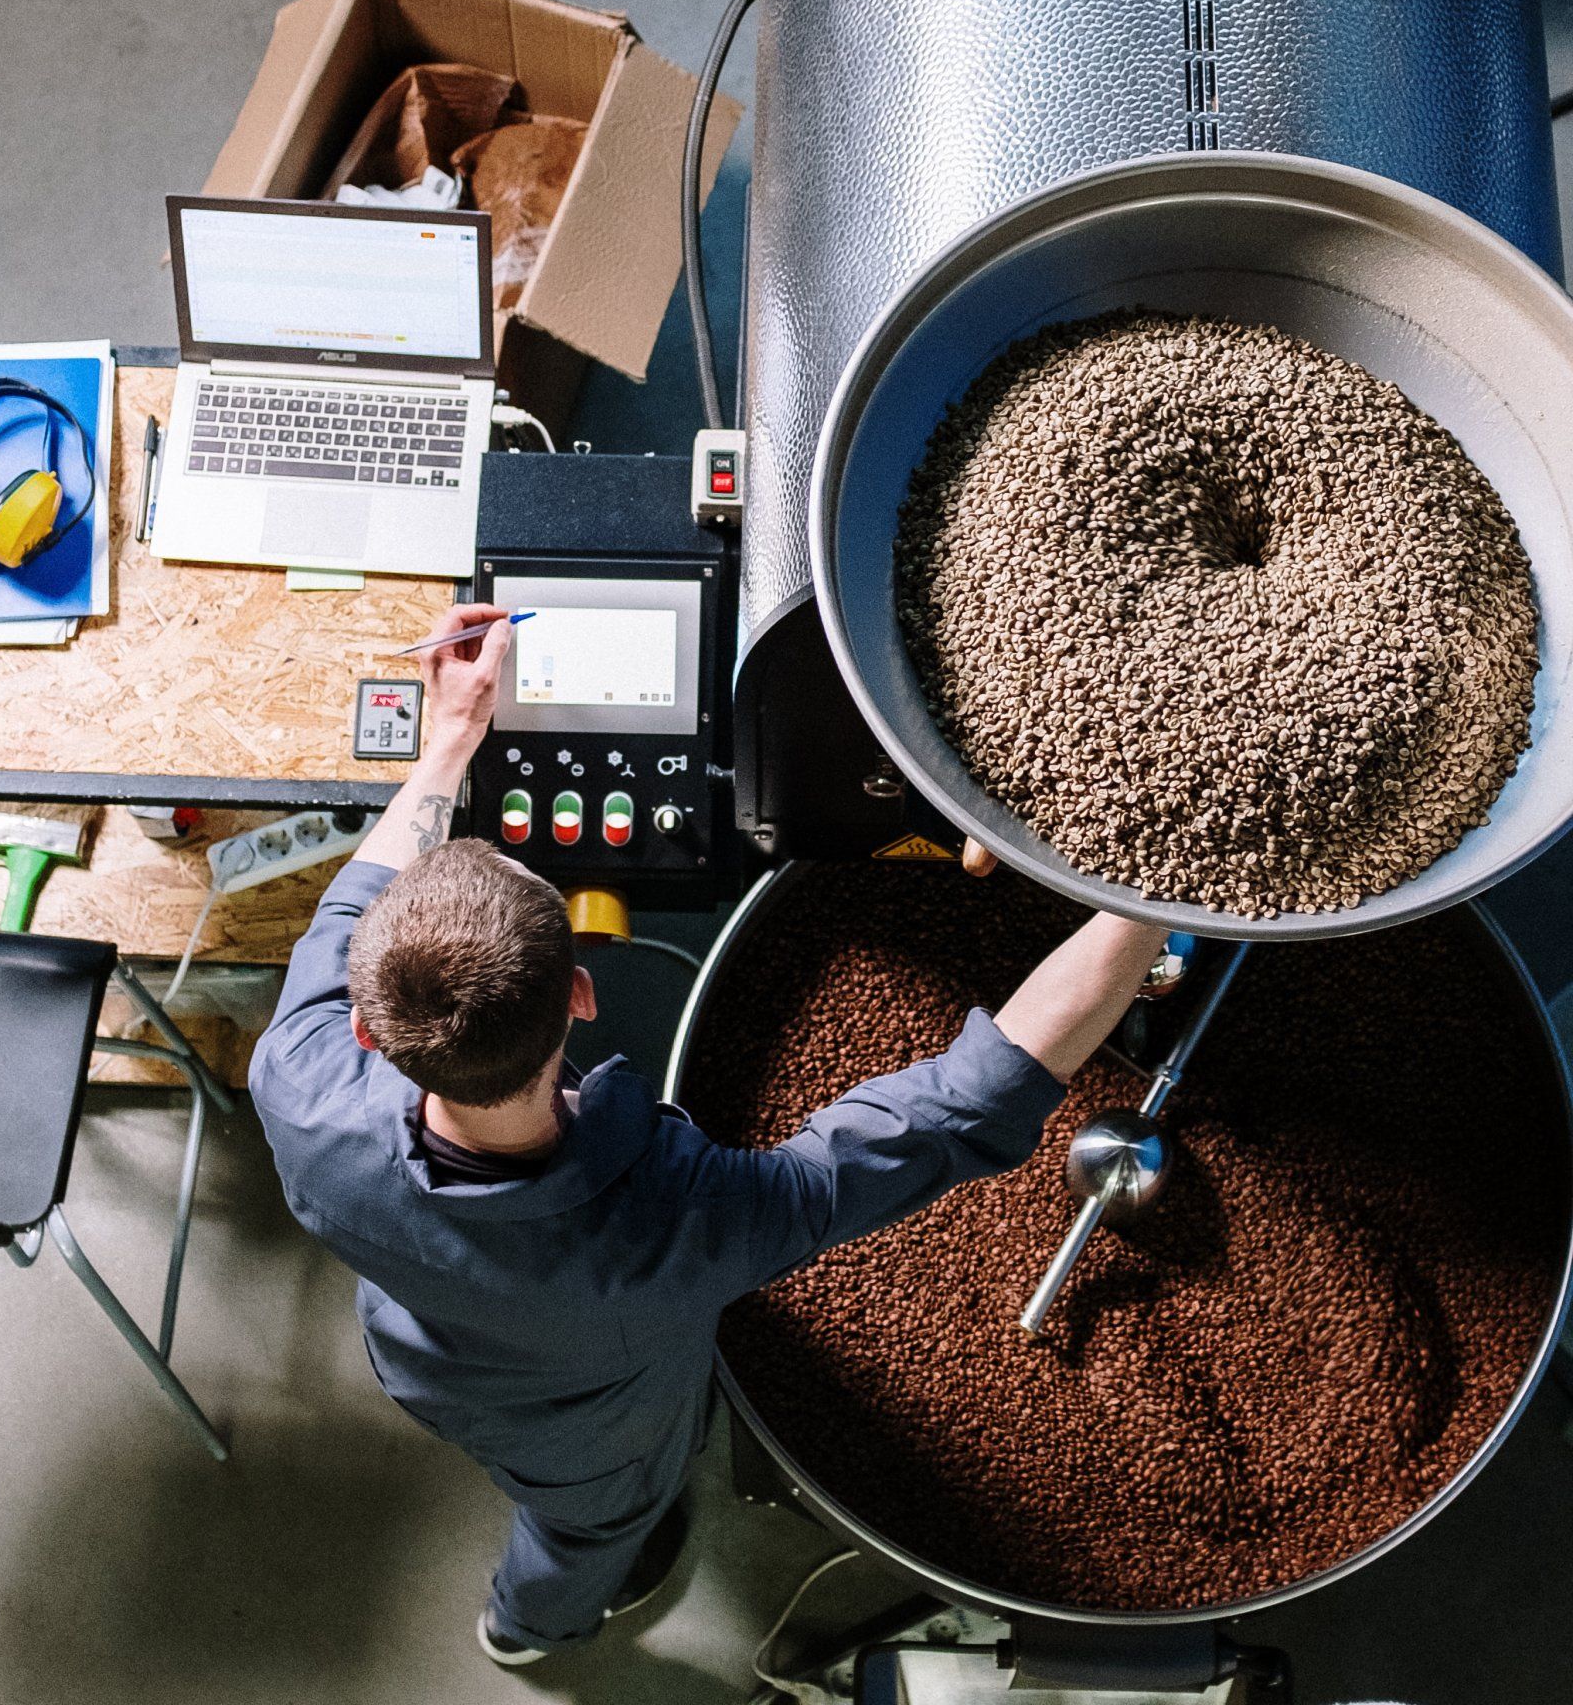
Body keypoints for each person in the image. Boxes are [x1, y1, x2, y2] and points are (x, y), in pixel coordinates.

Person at [249, 606, 1167, 1670]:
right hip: (588, 1434)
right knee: (588, 1526)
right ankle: (530, 1628)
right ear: (583, 997)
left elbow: (359, 897)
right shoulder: (680, 1223)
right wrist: (1141, 902)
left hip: (422, 1358)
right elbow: (958, 1108)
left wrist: (452, 734)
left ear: (364, 1026)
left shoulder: (300, 1082)